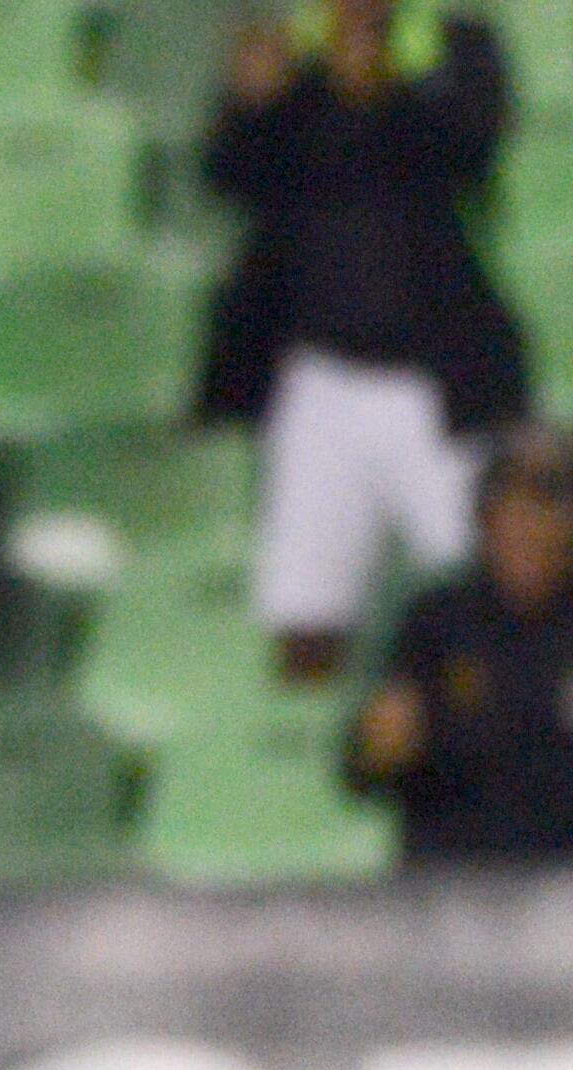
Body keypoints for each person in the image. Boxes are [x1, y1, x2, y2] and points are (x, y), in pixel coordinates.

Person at [199, 0, 527, 687]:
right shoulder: (292, 55)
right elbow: (232, 177)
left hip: (438, 385)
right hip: (319, 382)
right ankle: (302, 773)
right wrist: (250, 103)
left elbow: (472, 148)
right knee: (305, 611)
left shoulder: (456, 44)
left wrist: (378, 90)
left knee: (488, 594)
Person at [345, 422, 573, 860]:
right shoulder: (436, 620)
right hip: (448, 893)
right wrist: (377, 747)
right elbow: (362, 771)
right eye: (511, 513)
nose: (527, 530)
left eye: (545, 511)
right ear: (485, 522)